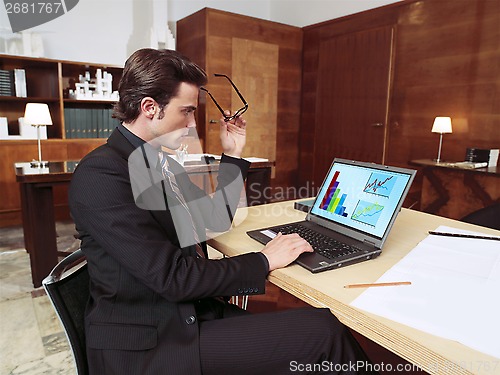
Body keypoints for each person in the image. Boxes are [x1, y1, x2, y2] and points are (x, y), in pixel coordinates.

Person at [69, 48, 377, 374]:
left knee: (316, 329)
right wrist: (265, 260)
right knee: (323, 331)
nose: (192, 123)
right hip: (149, 344)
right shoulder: (101, 175)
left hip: (184, 312)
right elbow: (174, 278)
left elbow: (211, 221)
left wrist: (232, 154)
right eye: (186, 112)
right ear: (150, 108)